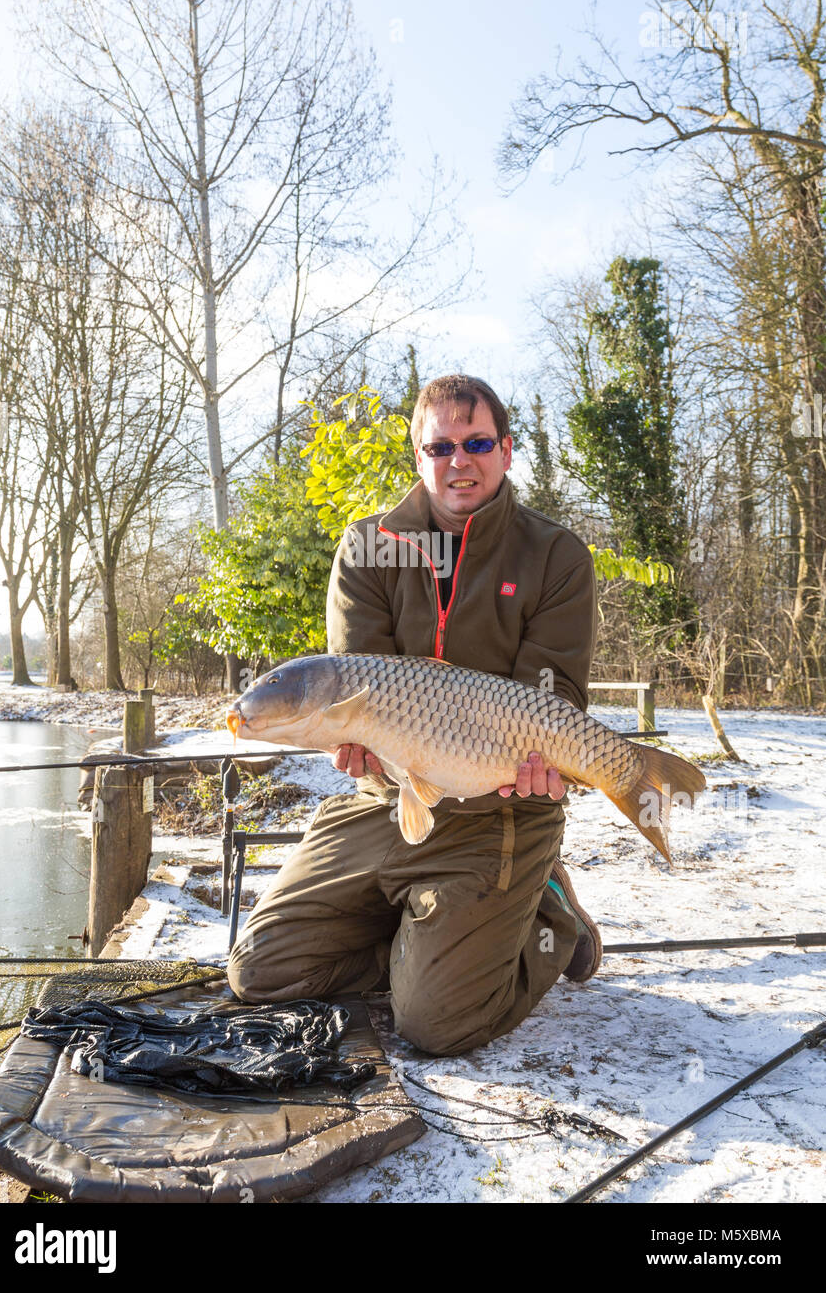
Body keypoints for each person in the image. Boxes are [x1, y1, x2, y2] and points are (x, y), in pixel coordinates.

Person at [228, 375, 602, 1056]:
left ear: (506, 450)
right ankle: (422, 944)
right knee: (261, 973)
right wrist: (354, 744)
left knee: (437, 1024)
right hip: (386, 799)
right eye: (441, 446)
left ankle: (551, 912)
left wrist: (551, 769)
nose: (459, 460)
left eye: (478, 442)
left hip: (499, 809)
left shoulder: (556, 556)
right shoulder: (367, 545)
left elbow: (551, 703)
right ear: (419, 457)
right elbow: (354, 687)